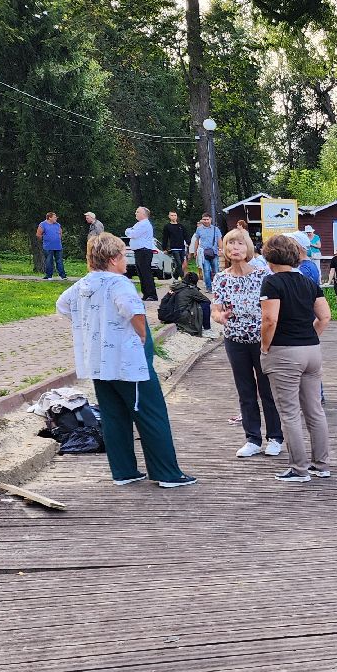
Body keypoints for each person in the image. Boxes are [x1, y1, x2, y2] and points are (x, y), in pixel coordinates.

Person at [55, 232, 196, 488]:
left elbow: (63, 305)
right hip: (126, 359)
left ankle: (123, 471)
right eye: (122, 255)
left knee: (113, 414)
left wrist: (92, 324)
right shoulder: (119, 283)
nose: (125, 260)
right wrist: (142, 335)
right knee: (150, 411)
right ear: (112, 259)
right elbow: (133, 310)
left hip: (98, 360)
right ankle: (166, 472)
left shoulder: (84, 284)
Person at [259, 234, 332, 482]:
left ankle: (298, 469)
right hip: (312, 350)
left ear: (269, 256)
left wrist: (265, 347)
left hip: (284, 352)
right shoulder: (309, 283)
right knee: (314, 410)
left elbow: (270, 319)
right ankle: (321, 465)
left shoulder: (271, 283)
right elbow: (325, 316)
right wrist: (310, 335)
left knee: (289, 413)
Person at [211, 227, 284, 459]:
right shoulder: (221, 278)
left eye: (240, 244)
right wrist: (219, 317)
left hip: (261, 339)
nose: (235, 248)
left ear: (248, 248)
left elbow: (275, 307)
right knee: (245, 390)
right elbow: (216, 309)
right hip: (235, 339)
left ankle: (275, 437)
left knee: (267, 389)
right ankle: (252, 438)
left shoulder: (263, 274)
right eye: (231, 244)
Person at [125, 206, 158, 301]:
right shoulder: (139, 224)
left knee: (146, 273)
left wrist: (128, 231)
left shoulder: (145, 224)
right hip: (139, 251)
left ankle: (152, 294)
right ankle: (146, 294)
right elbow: (132, 232)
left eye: (137, 212)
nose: (136, 213)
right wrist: (130, 231)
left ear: (144, 214)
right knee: (141, 273)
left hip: (144, 251)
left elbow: (133, 234)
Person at [188, 214, 221, 279]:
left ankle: (216, 285)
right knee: (206, 270)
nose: (206, 221)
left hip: (214, 252)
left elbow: (219, 240)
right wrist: (195, 251)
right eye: (204, 219)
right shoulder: (199, 229)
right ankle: (208, 287)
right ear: (202, 220)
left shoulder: (216, 229)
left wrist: (220, 250)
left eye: (207, 219)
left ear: (210, 219)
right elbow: (196, 241)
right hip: (203, 253)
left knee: (216, 270)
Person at [37, 212, 67, 280]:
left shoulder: (57, 224)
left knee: (59, 261)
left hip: (58, 246)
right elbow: (38, 234)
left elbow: (60, 233)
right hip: (48, 246)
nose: (56, 218)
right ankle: (49, 276)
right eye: (54, 217)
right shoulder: (43, 224)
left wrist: (57, 238)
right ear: (49, 218)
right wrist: (46, 239)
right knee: (49, 261)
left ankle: (63, 276)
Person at [162, 211, 189, 279]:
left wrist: (188, 243)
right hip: (174, 248)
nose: (173, 217)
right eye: (172, 215)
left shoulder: (181, 226)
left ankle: (175, 275)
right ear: (169, 216)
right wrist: (164, 248)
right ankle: (183, 278)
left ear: (177, 216)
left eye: (175, 215)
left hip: (182, 247)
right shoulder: (167, 226)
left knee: (181, 263)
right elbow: (165, 238)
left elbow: (185, 235)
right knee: (178, 263)